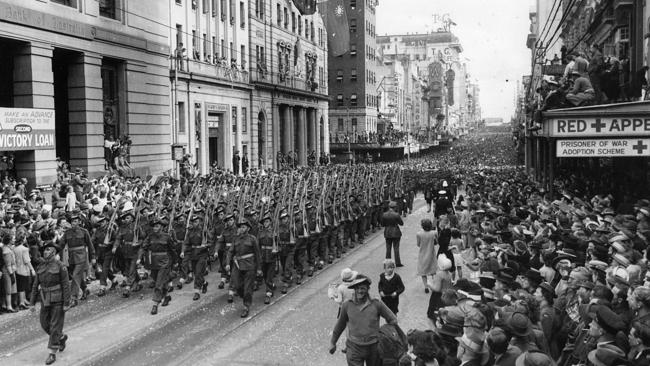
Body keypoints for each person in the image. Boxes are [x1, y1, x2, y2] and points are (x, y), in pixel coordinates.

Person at [329, 274, 399, 366]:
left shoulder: (376, 303)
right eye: (357, 288)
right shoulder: (347, 305)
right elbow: (340, 325)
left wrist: (385, 334)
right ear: (354, 289)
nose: (360, 291)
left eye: (362, 288)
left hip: (374, 347)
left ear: (368, 289)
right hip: (354, 347)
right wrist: (333, 342)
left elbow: (393, 319)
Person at [29, 242, 71, 365]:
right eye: (44, 250)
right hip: (45, 299)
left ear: (53, 251)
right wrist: (31, 303)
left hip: (58, 299)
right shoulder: (40, 266)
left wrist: (66, 302)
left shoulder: (60, 266)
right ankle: (61, 337)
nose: (45, 252)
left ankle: (52, 353)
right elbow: (35, 285)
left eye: (47, 250)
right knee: (44, 323)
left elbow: (66, 285)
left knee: (54, 326)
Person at [225, 218, 262, 318]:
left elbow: (258, 254)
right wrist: (228, 263)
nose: (241, 229)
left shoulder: (252, 239)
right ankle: (244, 296)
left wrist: (259, 268)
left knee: (247, 288)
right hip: (237, 266)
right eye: (240, 227)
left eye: (243, 227)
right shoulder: (235, 239)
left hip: (250, 266)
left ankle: (246, 306)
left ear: (248, 228)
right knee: (237, 286)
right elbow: (230, 252)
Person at [140, 217, 176, 315]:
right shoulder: (150, 236)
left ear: (161, 227)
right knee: (159, 281)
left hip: (164, 262)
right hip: (153, 263)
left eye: (157, 226)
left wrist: (175, 262)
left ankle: (155, 305)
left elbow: (172, 250)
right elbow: (143, 247)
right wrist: (140, 258)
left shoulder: (167, 237)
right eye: (154, 226)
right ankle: (167, 296)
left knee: (158, 284)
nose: (155, 228)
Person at [426, 253, 452, 324]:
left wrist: (429, 284)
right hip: (446, 296)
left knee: (434, 316)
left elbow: (437, 289)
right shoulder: (449, 273)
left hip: (438, 297)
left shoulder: (440, 274)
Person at [416, 218, 438, 293]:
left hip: (422, 253)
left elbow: (418, 244)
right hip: (431, 253)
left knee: (423, 271)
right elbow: (436, 242)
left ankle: (426, 286)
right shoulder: (434, 233)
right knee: (433, 270)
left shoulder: (419, 234)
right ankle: (434, 284)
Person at [382, 201, 404, 267]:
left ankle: (387, 263)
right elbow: (401, 223)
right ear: (395, 207)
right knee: (396, 248)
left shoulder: (384, 214)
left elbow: (382, 224)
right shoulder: (396, 214)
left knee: (388, 248)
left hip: (387, 232)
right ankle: (398, 263)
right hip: (396, 232)